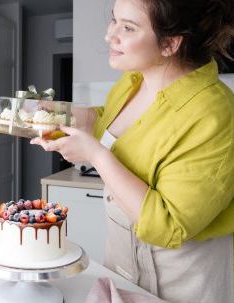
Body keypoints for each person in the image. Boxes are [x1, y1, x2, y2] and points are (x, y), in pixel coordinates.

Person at [31, 0, 234, 302]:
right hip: (122, 263)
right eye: (114, 21)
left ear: (170, 43)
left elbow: (167, 225)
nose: (109, 35)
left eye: (128, 27)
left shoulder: (213, 113)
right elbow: (112, 120)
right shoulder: (133, 80)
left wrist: (96, 156)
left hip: (180, 281)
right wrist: (63, 115)